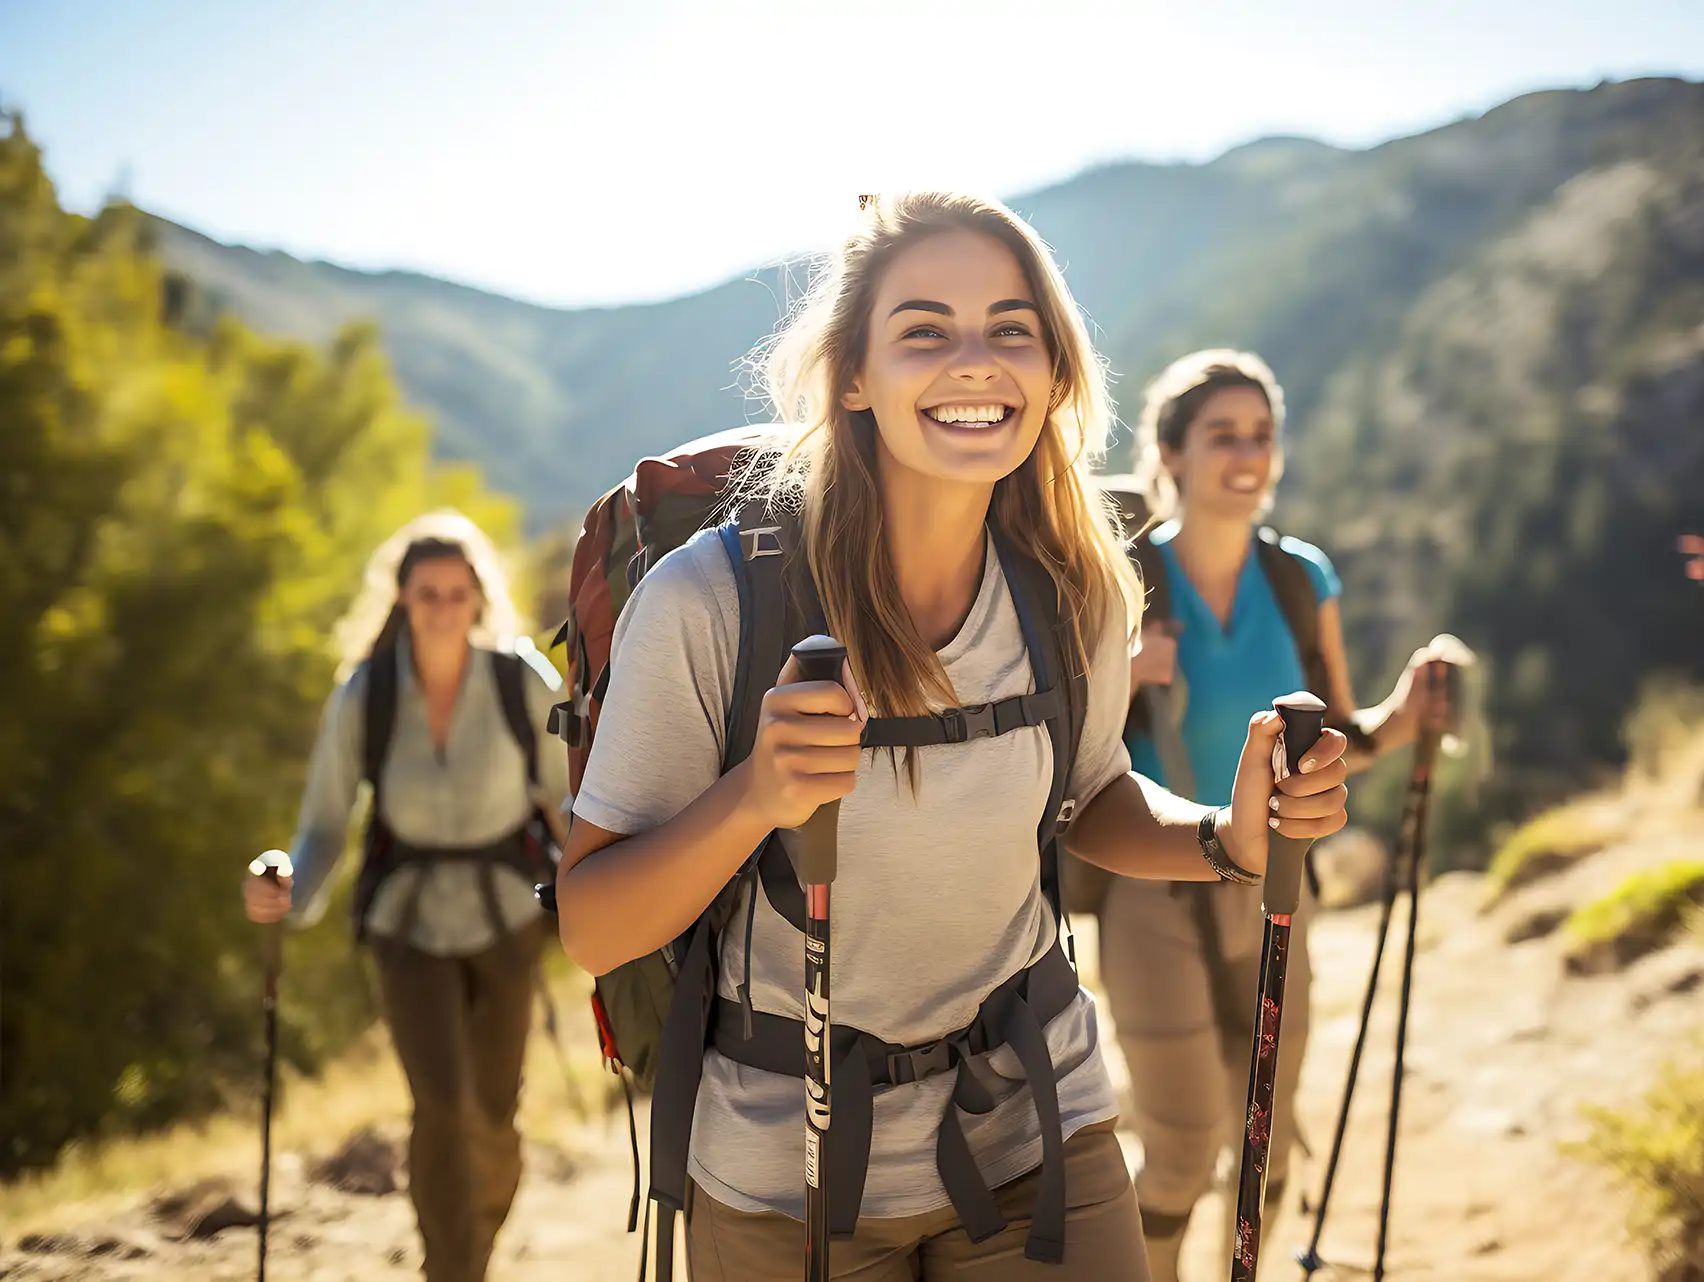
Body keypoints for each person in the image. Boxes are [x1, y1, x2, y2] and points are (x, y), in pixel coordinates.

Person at [552, 191, 1353, 1281]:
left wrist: (1227, 838)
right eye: (924, 332)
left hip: (1039, 1128)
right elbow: (595, 927)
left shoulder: (1072, 587)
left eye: (1011, 330)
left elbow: (1089, 793)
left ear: (1055, 373)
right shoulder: (715, 602)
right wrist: (755, 797)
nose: (975, 362)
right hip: (787, 1176)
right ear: (851, 376)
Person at [1103, 348, 1465, 1281]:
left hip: (1276, 883)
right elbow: (1066, 749)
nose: (1247, 454)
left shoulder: (1301, 577)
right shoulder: (1119, 578)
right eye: (1222, 435)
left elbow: (1341, 734)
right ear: (1171, 452)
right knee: (1181, 1149)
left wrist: (1407, 713)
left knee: (1268, 1139)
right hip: (1152, 886)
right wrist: (1123, 674)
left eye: (1261, 435)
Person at [242, 510, 571, 1282]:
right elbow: (323, 826)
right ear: (402, 598)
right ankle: (450, 1269)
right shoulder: (367, 693)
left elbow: (568, 800)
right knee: (442, 1106)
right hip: (406, 925)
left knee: (494, 1116)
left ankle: (473, 1248)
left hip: (509, 918)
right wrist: (285, 884)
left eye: (458, 593)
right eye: (428, 594)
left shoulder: (523, 680)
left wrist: (602, 888)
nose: (444, 608)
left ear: (479, 597)